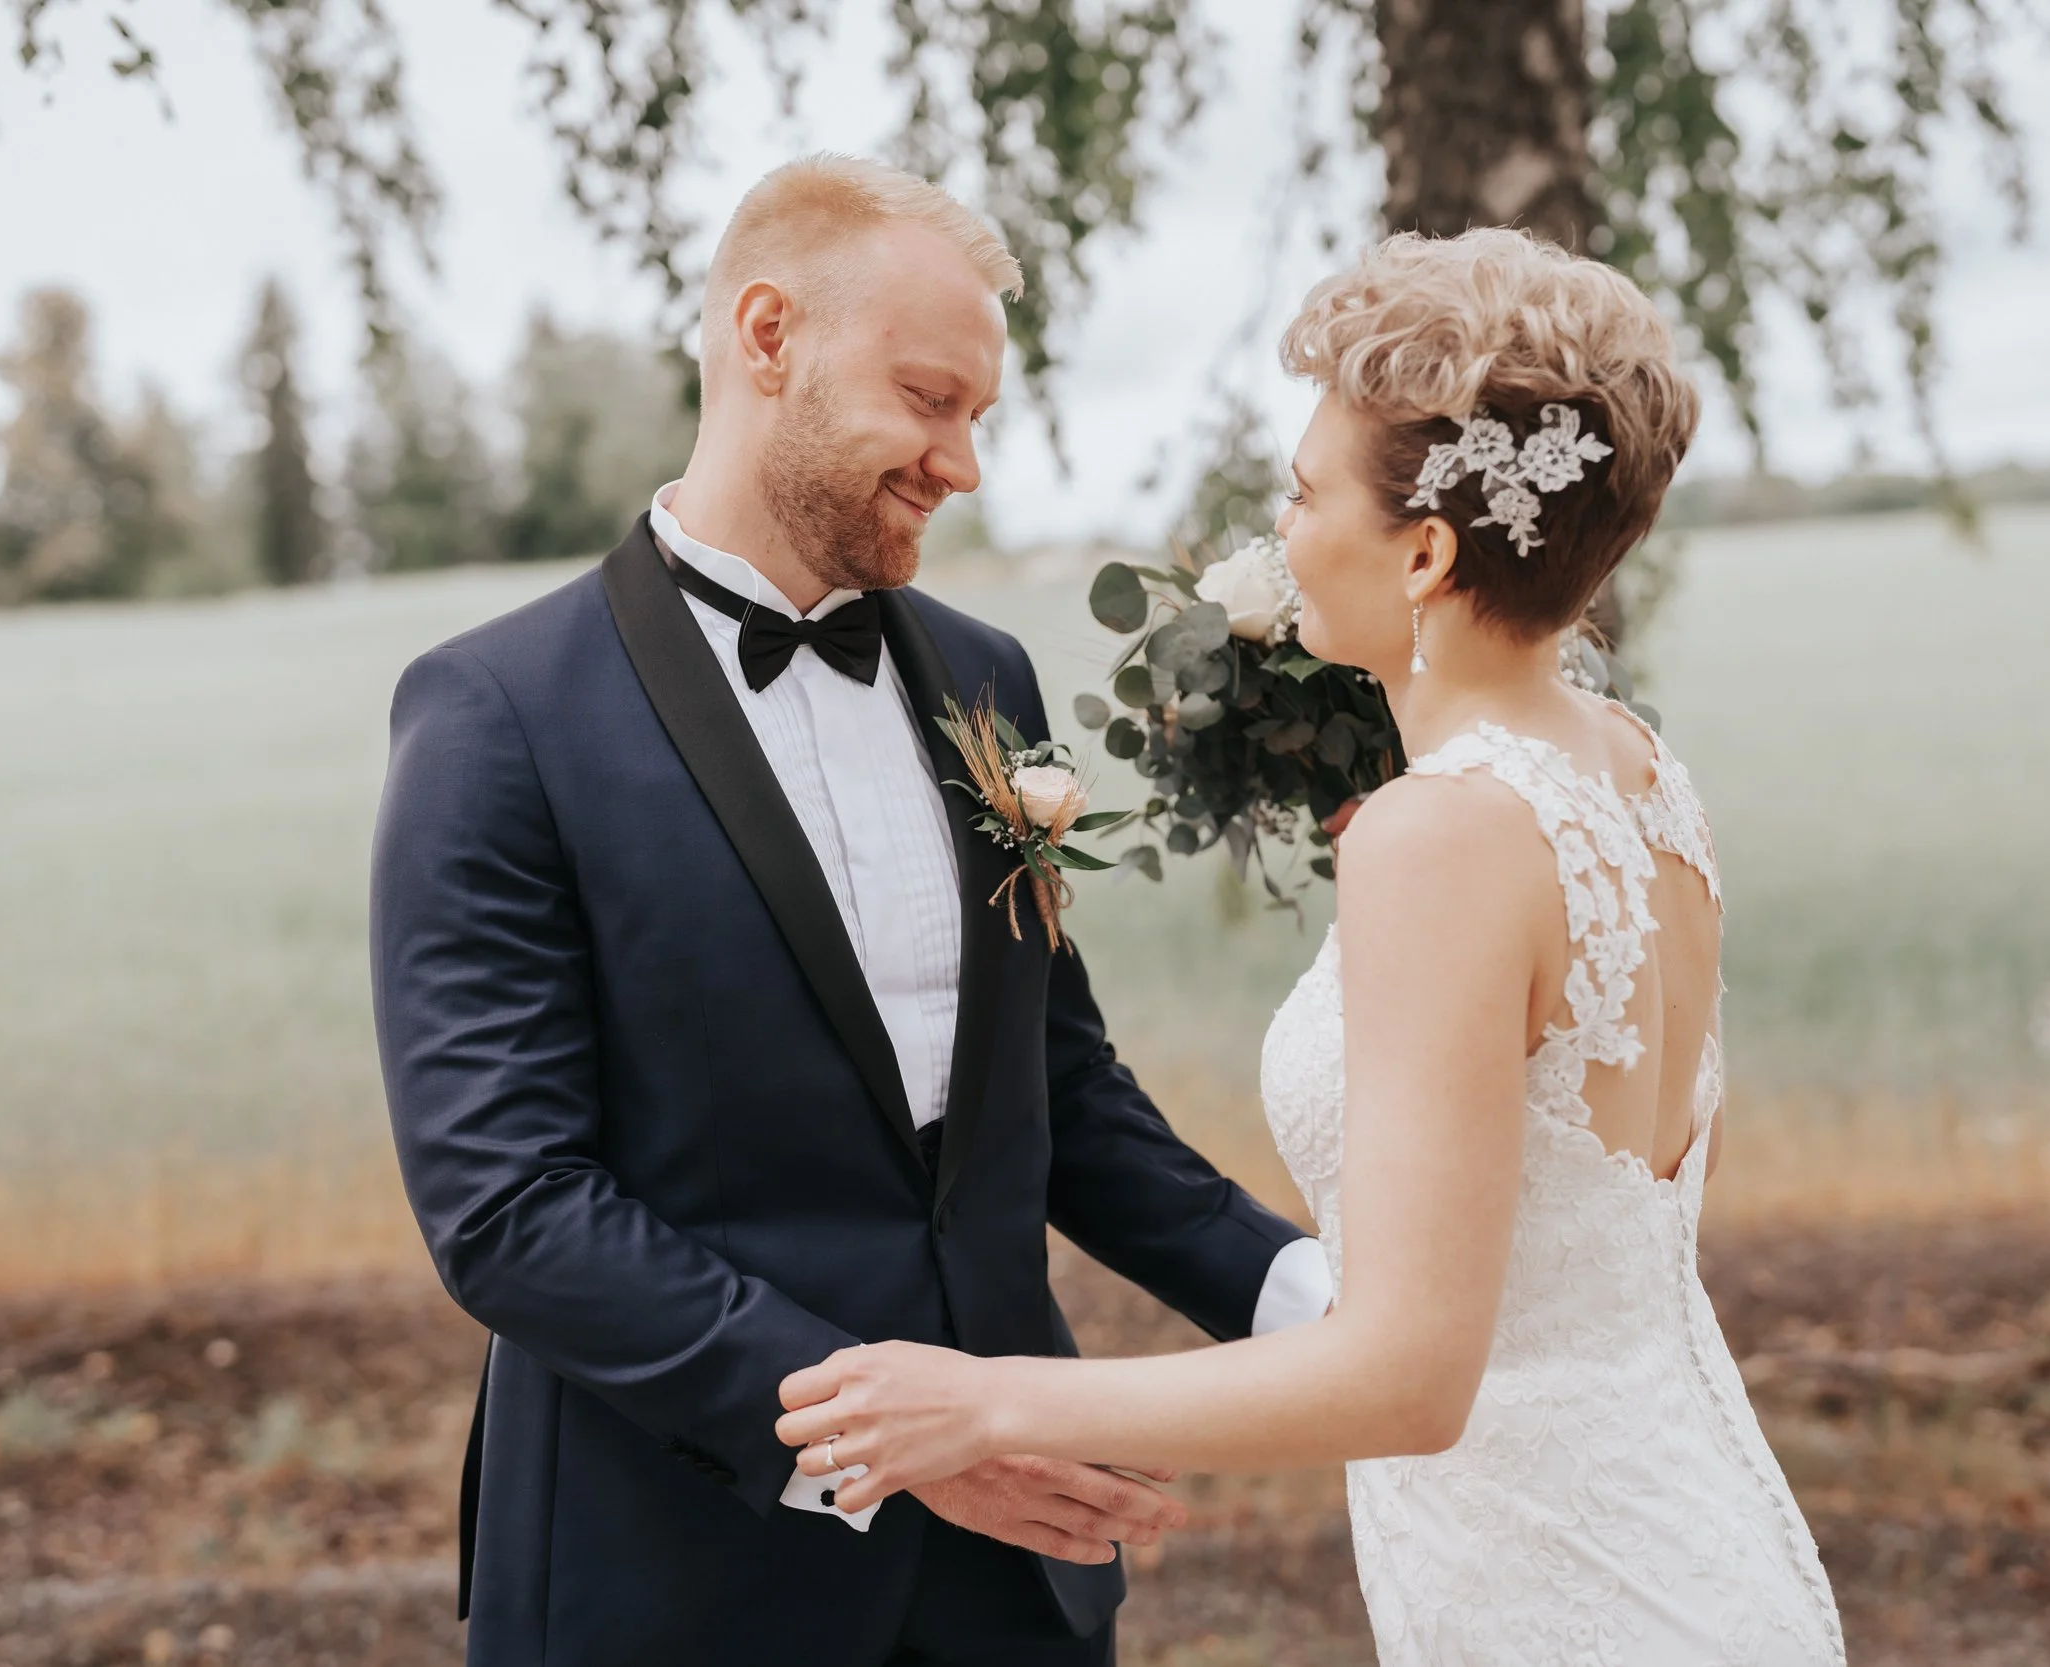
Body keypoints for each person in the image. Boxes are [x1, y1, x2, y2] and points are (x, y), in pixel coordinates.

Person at [776, 227, 1850, 1665]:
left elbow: (1408, 1377)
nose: (1280, 536)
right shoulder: (1635, 770)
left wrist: (988, 1402)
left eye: (1300, 492)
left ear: (1424, 547)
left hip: (1558, 1589)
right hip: (1692, 1535)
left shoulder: (1440, 835)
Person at [368, 153, 1330, 1667]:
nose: (962, 461)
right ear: (768, 338)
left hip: (1018, 1587)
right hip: (676, 1580)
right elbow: (508, 1205)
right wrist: (903, 1440)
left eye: (977, 416)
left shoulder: (992, 681)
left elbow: (1054, 1093)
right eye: (931, 399)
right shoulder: (496, 715)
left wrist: (1319, 1309)